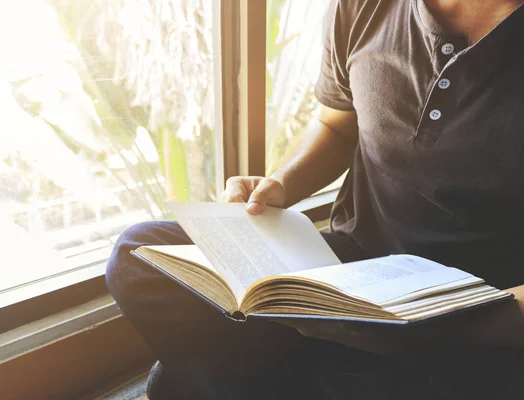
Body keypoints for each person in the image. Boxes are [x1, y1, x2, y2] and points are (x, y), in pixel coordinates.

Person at [106, 0, 524, 398]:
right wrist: (280, 185)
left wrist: (432, 327)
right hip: (352, 267)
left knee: (179, 384)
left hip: (482, 309)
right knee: (139, 253)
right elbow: (337, 124)